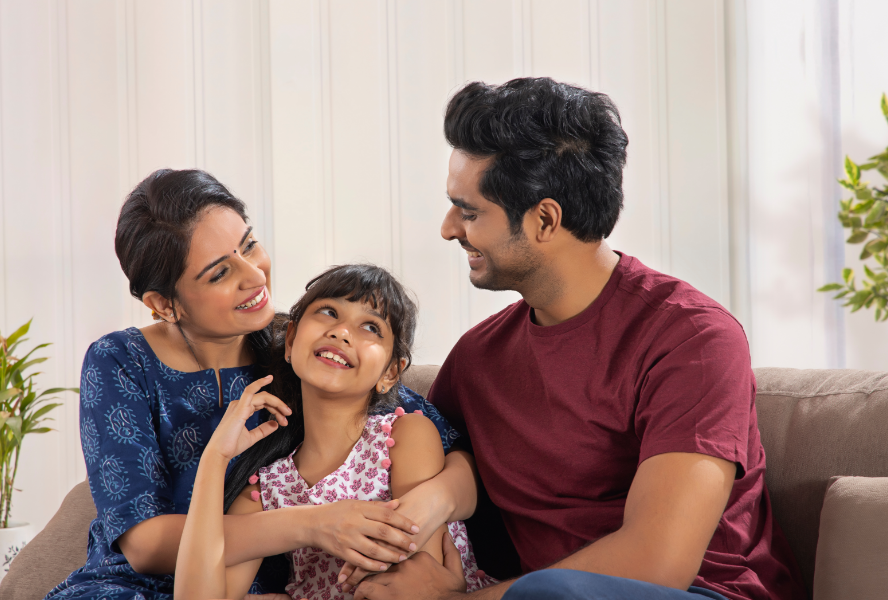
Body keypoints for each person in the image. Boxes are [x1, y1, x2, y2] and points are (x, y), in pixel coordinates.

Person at [351, 78, 807, 600]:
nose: (448, 228)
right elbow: (414, 458)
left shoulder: (693, 339)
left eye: (469, 211)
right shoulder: (478, 360)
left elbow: (659, 561)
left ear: (545, 219)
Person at [46, 170, 479, 600]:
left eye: (249, 244)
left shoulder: (303, 344)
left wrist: (429, 510)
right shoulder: (121, 361)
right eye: (219, 273)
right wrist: (313, 523)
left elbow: (449, 447)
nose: (254, 276)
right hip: (135, 588)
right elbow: (144, 547)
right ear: (164, 304)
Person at [175, 264, 496, 600]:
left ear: (390, 372)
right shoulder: (266, 489)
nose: (342, 332)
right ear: (291, 340)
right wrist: (215, 458)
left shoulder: (405, 435)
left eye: (371, 327)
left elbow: (414, 581)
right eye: (329, 312)